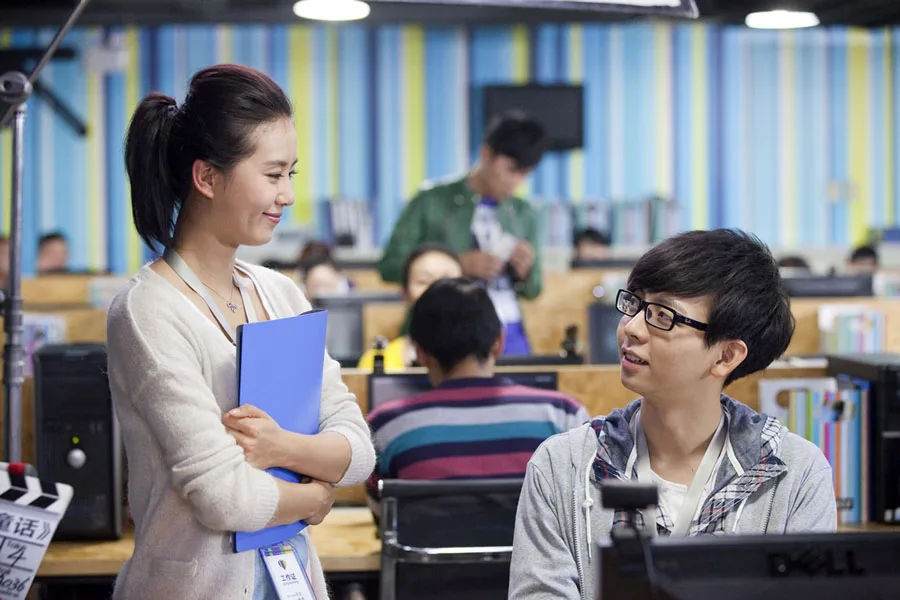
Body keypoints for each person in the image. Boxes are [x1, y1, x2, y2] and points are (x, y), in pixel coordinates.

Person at [108, 64, 375, 600]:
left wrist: (279, 446)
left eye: (290, 174)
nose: (287, 195)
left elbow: (358, 449)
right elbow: (223, 495)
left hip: (291, 577)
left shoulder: (279, 293)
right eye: (273, 175)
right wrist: (314, 497)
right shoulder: (148, 311)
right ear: (207, 178)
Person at [509, 229, 836, 600]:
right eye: (634, 303)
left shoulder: (796, 474)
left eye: (662, 315)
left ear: (726, 356)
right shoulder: (562, 465)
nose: (631, 328)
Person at [365, 277, 589, 515]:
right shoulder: (564, 416)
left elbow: (384, 517)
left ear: (419, 352)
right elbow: (585, 510)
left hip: (428, 541)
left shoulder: (384, 426)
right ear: (499, 342)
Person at [377, 110, 549, 357]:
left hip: (509, 333)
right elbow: (389, 266)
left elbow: (534, 290)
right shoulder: (431, 201)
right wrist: (456, 265)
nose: (516, 182)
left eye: (525, 174)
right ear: (486, 154)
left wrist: (525, 271)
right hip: (440, 329)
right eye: (511, 170)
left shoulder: (524, 213)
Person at [357, 243, 462, 370]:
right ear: (405, 292)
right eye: (424, 281)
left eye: (447, 282)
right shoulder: (378, 361)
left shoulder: (480, 361)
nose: (436, 290)